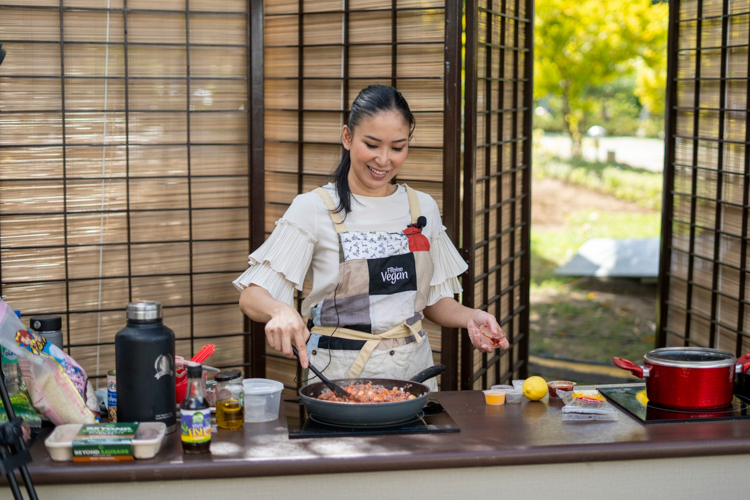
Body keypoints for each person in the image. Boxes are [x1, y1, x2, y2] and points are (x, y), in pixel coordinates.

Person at [235, 85, 508, 391]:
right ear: (347, 137)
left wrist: (471, 317)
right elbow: (251, 296)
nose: (383, 159)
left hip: (413, 375)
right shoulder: (314, 208)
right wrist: (280, 310)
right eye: (372, 144)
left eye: (397, 147)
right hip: (338, 378)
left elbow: (431, 301)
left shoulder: (422, 207)